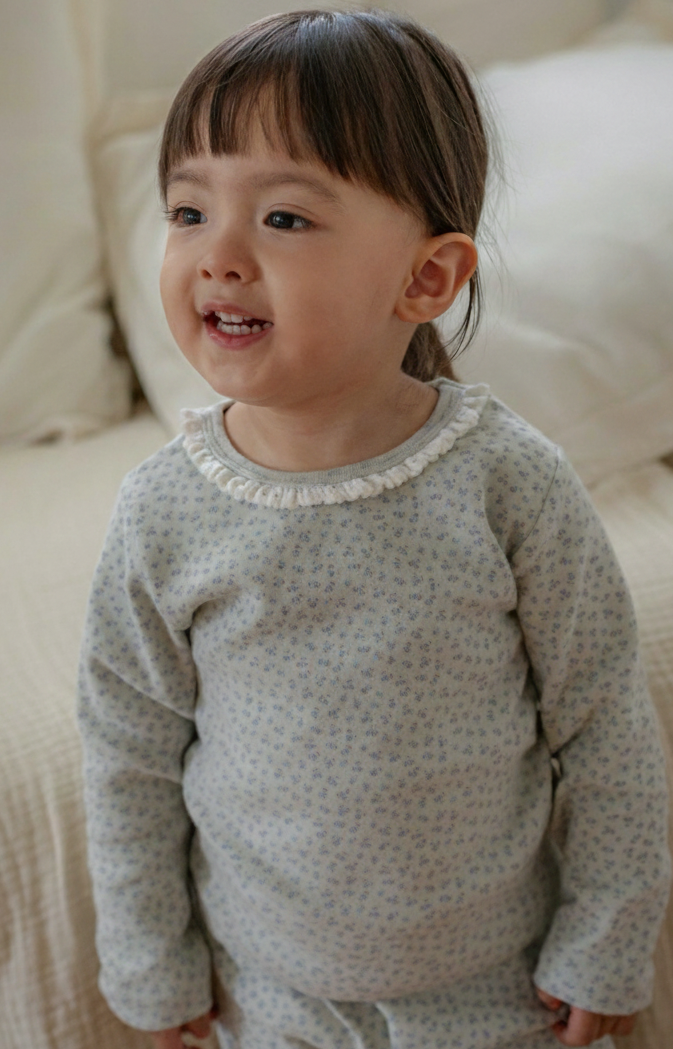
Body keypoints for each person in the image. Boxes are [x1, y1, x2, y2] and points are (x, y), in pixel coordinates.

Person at [77, 11, 670, 1049]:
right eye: (188, 210)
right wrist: (150, 963)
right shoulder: (164, 510)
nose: (218, 256)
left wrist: (607, 940)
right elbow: (127, 755)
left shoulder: (507, 482)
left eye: (284, 218)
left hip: (498, 991)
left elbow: (606, 724)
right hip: (269, 998)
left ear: (426, 279)